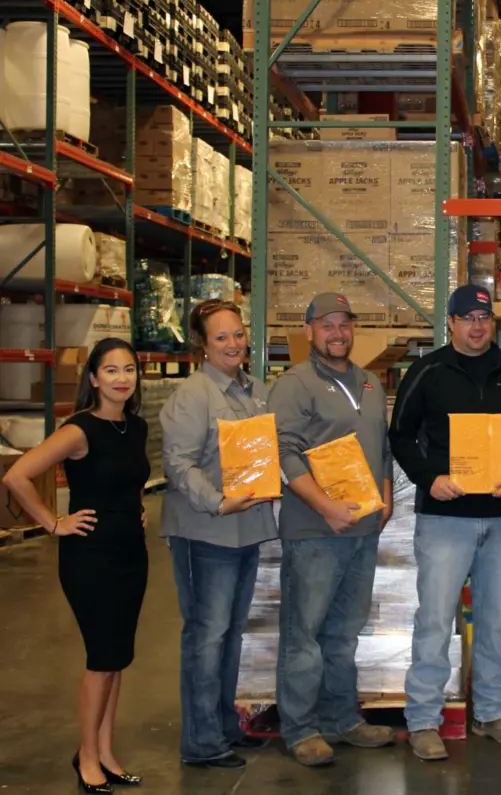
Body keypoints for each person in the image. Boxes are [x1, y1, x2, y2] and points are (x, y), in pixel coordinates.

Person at [389, 284, 501, 761]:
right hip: (444, 519)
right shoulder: (428, 370)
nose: (477, 326)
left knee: (496, 621)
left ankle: (493, 713)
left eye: (485, 317)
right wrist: (428, 478)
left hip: (499, 520)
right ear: (451, 323)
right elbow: (400, 434)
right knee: (435, 621)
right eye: (467, 317)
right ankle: (423, 721)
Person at [3, 338, 148, 794]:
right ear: (93, 379)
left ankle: (105, 751)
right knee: (101, 657)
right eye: (111, 370)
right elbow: (16, 475)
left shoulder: (136, 427)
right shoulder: (80, 429)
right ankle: (86, 756)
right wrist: (52, 522)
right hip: (91, 557)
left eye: (129, 369)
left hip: (131, 553)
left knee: (117, 658)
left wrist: (135, 507)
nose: (122, 378)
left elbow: (128, 479)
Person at [268, 292, 396, 767]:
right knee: (304, 633)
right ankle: (301, 729)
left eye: (344, 324)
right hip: (315, 531)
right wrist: (325, 507)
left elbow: (380, 446)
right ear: (309, 332)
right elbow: (284, 454)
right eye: (327, 325)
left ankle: (342, 719)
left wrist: (383, 495)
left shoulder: (368, 383)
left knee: (344, 632)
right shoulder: (294, 384)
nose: (337, 333)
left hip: (362, 527)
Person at [160, 299, 278, 770]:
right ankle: (202, 743)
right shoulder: (194, 394)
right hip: (207, 532)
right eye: (221, 337)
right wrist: (217, 501)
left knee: (229, 637)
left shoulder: (255, 391)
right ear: (202, 346)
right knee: (206, 637)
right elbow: (178, 464)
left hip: (245, 531)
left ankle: (226, 727)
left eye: (238, 334)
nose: (233, 343)